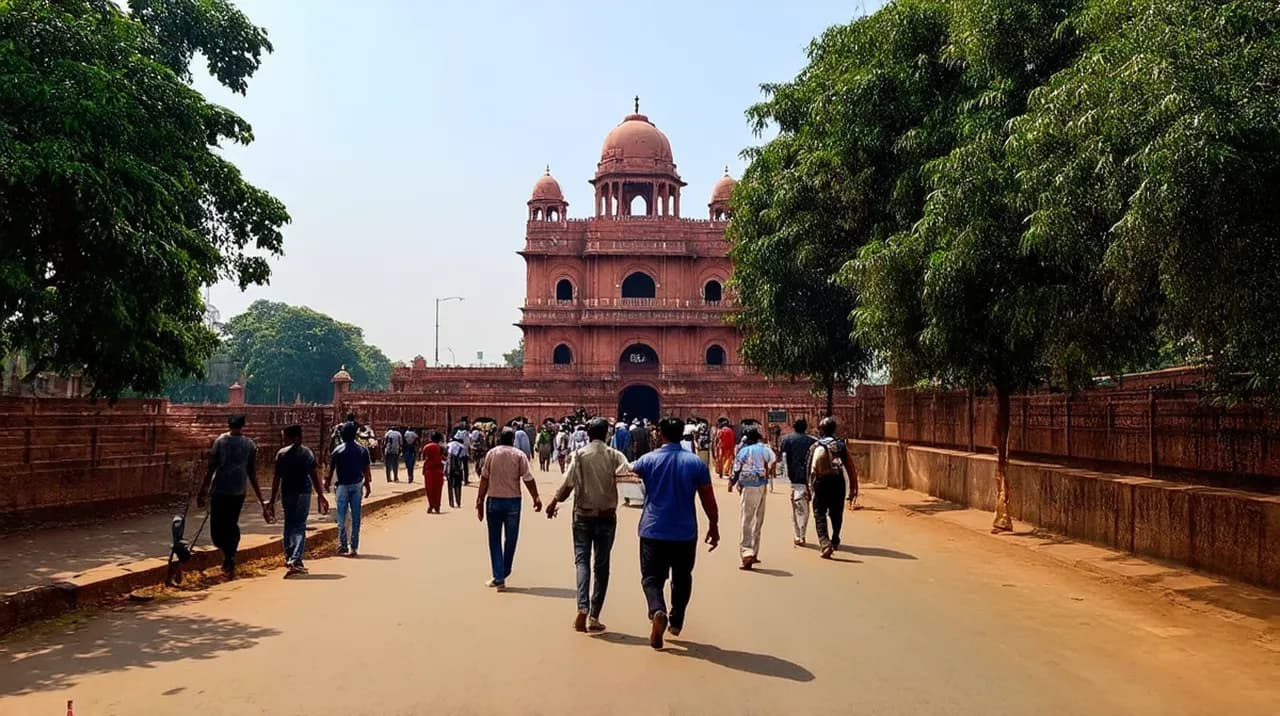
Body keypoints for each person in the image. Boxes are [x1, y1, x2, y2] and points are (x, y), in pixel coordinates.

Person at [629, 417, 720, 650]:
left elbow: (623, 475)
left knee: (651, 578)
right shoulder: (695, 463)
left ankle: (657, 610)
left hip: (653, 529)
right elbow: (707, 497)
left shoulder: (647, 460)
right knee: (682, 577)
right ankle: (676, 619)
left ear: (660, 434)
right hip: (685, 531)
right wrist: (714, 524)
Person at [546, 418, 631, 632]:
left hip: (582, 515)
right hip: (607, 516)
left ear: (588, 434)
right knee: (602, 567)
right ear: (607, 434)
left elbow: (568, 483)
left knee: (581, 562)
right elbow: (629, 478)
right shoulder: (615, 455)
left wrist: (554, 502)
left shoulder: (580, 455)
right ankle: (594, 616)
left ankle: (582, 606)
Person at [197, 414, 270, 578]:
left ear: (228, 424)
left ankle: (229, 557)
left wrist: (203, 490)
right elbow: (252, 474)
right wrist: (260, 498)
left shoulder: (220, 442)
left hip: (221, 490)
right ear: (242, 425)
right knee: (230, 524)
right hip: (237, 491)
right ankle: (229, 555)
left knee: (218, 527)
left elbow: (211, 468)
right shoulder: (249, 444)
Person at [476, 428, 542, 591]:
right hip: (513, 502)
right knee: (511, 539)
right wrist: (536, 497)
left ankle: (499, 576)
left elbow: (484, 477)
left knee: (494, 539)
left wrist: (480, 499)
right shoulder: (519, 455)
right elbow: (528, 478)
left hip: (494, 500)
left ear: (499, 438)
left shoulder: (492, 453)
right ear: (513, 440)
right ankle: (503, 572)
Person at [269, 424, 329, 576]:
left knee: (290, 524)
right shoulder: (307, 453)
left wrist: (272, 499)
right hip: (303, 492)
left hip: (288, 492)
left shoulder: (281, 454)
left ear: (294, 437)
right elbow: (314, 476)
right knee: (299, 525)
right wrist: (320, 495)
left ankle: (290, 556)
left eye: (286, 437)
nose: (285, 440)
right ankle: (295, 559)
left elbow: (277, 478)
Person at [807, 417, 854, 559]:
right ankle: (835, 538)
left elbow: (809, 469)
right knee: (836, 511)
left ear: (821, 430)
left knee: (819, 512)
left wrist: (809, 489)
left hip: (821, 482)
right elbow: (850, 467)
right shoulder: (840, 445)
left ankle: (824, 543)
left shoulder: (815, 446)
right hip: (838, 481)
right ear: (834, 429)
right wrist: (853, 487)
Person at [731, 426, 775, 570]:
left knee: (747, 519)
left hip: (748, 487)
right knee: (758, 519)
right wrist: (768, 472)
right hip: (762, 486)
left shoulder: (743, 451)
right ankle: (754, 552)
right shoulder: (765, 449)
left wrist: (732, 482)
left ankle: (746, 553)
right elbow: (773, 460)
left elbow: (736, 469)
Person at [326, 422, 372, 557]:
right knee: (356, 517)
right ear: (355, 435)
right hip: (357, 485)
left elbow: (331, 470)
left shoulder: (337, 451)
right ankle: (354, 547)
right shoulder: (362, 450)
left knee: (341, 517)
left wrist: (327, 483)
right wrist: (368, 485)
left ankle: (343, 545)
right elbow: (366, 471)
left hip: (342, 486)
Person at [779, 418, 817, 546]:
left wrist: (785, 477)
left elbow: (783, 459)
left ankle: (799, 535)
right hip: (809, 480)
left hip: (795, 480)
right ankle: (802, 534)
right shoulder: (813, 442)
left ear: (793, 427)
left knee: (797, 508)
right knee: (804, 508)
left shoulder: (787, 440)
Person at [422, 431, 446, 513]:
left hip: (428, 470)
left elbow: (424, 457)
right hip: (438, 470)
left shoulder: (426, 447)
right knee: (438, 489)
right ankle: (437, 506)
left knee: (429, 489)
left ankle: (431, 505)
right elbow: (444, 458)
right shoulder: (440, 447)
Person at [446, 432, 468, 509]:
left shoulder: (449, 445)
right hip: (458, 468)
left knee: (449, 485)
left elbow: (445, 456)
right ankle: (458, 501)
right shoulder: (463, 447)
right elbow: (464, 459)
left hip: (449, 468)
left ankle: (451, 502)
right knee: (458, 485)